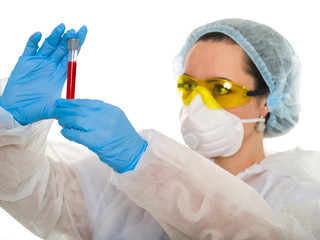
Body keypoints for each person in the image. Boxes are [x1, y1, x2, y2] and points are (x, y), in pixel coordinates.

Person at [0, 19, 319, 240]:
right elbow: (33, 195)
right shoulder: (121, 183)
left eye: (220, 88)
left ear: (268, 100)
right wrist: (10, 126)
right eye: (189, 85)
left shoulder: (295, 197)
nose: (198, 103)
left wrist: (145, 163)